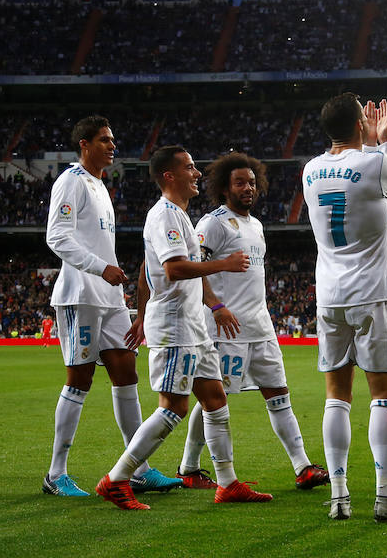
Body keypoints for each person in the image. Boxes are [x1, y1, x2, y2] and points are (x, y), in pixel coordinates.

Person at [97, 145, 272, 510]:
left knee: (215, 399)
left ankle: (227, 483)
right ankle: (116, 479)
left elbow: (149, 270)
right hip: (175, 327)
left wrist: (143, 313)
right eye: (190, 168)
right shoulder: (164, 216)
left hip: (193, 326)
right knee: (173, 407)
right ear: (169, 175)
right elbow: (174, 269)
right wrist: (223, 264)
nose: (198, 173)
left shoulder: (179, 216)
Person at [43, 115, 181, 498]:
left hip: (109, 297)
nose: (112, 145)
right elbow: (57, 236)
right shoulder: (71, 181)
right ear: (84, 144)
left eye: (112, 139)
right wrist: (99, 267)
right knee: (80, 380)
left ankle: (138, 468)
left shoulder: (100, 186)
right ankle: (56, 474)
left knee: (126, 372)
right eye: (104, 139)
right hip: (80, 294)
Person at [302, 93, 387, 522]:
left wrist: (366, 143)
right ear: (360, 124)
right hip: (372, 293)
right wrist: (382, 142)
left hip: (328, 296)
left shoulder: (310, 169)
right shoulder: (372, 161)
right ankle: (386, 498)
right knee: (383, 395)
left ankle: (338, 497)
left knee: (336, 396)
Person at [175, 152, 328, 490]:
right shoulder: (212, 223)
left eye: (252, 183)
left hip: (260, 326)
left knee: (279, 395)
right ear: (224, 187)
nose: (248, 188)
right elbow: (192, 269)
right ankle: (188, 467)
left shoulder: (256, 225)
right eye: (240, 182)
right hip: (225, 328)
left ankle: (302, 467)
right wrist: (215, 305)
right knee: (215, 398)